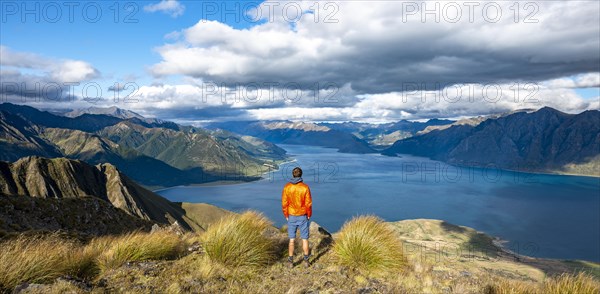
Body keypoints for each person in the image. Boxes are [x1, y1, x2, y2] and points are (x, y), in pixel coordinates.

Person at [281, 167, 312, 268]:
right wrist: (309, 215)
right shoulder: (305, 187)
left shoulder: (287, 187)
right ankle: (306, 261)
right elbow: (308, 204)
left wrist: (286, 215)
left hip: (292, 216)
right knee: (305, 239)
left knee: (291, 240)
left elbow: (284, 203)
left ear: (293, 174)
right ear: (301, 175)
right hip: (302, 215)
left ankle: (290, 262)